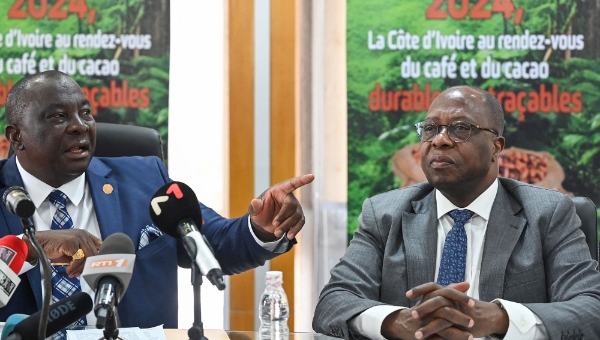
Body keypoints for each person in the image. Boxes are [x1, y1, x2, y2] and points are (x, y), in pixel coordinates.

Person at [0, 70, 314, 329]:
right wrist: (29, 247)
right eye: (58, 116)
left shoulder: (145, 179)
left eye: (85, 113)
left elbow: (211, 241)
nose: (79, 126)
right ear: (16, 136)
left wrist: (260, 227)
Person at [313, 86, 600, 340]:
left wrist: (501, 319)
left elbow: (591, 308)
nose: (440, 140)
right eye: (430, 128)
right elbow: (334, 302)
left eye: (460, 128)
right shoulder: (384, 214)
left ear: (495, 147)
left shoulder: (547, 214)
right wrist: (396, 322)